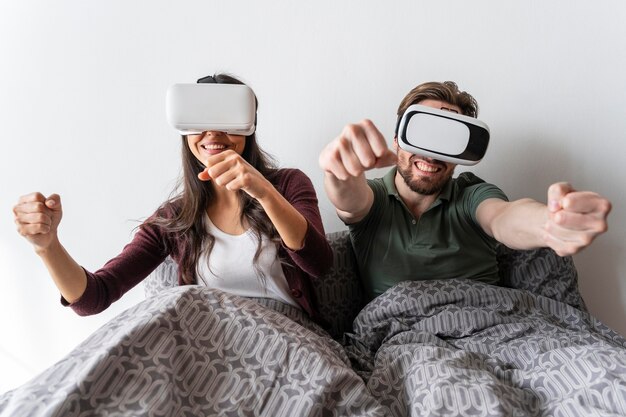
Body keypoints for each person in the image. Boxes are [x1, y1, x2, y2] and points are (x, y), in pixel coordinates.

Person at [13, 73, 333, 322]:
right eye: (200, 121)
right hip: (213, 349)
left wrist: (263, 190)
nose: (212, 133)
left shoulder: (289, 184)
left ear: (249, 126)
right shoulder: (173, 221)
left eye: (226, 119)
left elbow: (319, 264)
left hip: (289, 340)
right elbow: (95, 296)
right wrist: (47, 246)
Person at [318, 81, 611, 299]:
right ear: (397, 138)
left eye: (448, 141)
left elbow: (503, 217)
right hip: (405, 338)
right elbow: (349, 199)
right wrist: (337, 169)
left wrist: (548, 224)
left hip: (492, 326)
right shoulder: (375, 200)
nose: (432, 155)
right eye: (424, 134)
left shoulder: (471, 194)